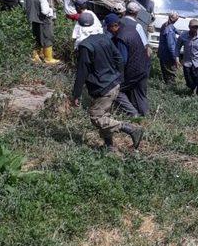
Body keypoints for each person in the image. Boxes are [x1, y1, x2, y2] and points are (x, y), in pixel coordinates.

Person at [72, 14, 144, 151]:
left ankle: (131, 129)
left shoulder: (85, 46)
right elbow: (119, 59)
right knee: (104, 116)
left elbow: (82, 72)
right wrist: (119, 78)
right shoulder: (105, 38)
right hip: (113, 83)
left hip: (102, 86)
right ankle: (109, 146)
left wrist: (76, 94)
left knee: (96, 116)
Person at [105, 13, 150, 117]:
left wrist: (115, 75)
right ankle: (146, 118)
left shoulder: (121, 38)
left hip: (133, 71)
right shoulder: (131, 28)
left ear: (115, 25)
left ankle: (133, 114)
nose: (108, 30)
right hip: (144, 67)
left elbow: (122, 60)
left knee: (116, 90)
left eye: (108, 27)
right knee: (140, 95)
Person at [25, 0, 59, 64]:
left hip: (32, 20)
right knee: (47, 37)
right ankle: (48, 58)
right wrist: (50, 10)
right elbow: (44, 11)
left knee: (36, 38)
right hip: (43, 21)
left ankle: (36, 56)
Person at [176, 19, 198, 95]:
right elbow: (177, 47)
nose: (195, 29)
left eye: (196, 27)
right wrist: (177, 58)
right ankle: (192, 89)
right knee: (189, 81)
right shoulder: (183, 36)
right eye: (193, 27)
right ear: (189, 27)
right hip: (187, 62)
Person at [158, 12, 180, 84]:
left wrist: (182, 34)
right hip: (167, 55)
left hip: (162, 53)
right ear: (172, 18)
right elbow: (170, 46)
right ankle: (170, 88)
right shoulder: (169, 30)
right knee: (170, 72)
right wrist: (175, 58)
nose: (177, 20)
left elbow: (175, 30)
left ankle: (167, 84)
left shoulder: (166, 24)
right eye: (176, 19)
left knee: (165, 71)